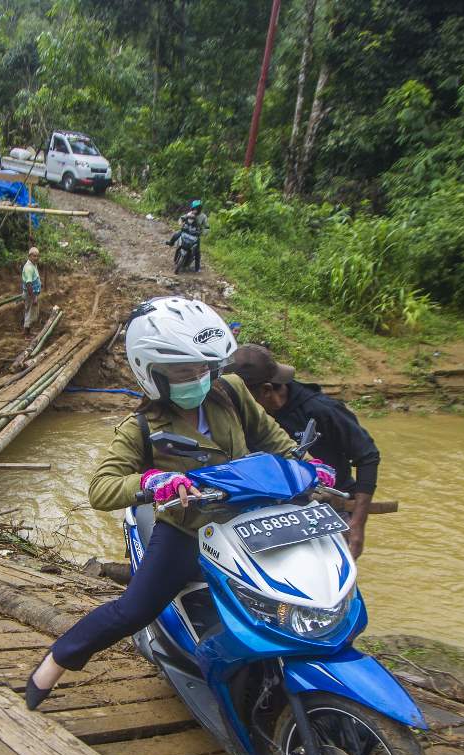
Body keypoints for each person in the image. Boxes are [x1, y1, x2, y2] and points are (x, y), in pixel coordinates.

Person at [23, 296, 336, 709]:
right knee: (132, 609)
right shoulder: (140, 428)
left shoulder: (231, 392)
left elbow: (271, 438)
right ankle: (57, 660)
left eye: (205, 367)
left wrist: (309, 464)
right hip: (187, 532)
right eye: (185, 371)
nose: (200, 378)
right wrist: (155, 481)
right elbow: (101, 487)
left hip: (249, 525)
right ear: (152, 374)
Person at [225, 343, 380, 558]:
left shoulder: (321, 410)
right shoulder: (240, 417)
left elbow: (368, 456)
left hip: (329, 508)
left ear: (267, 390)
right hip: (276, 513)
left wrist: (357, 525)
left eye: (239, 397)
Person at [178, 199, 207, 271]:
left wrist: (203, 232)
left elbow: (206, 227)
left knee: (197, 252)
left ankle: (197, 268)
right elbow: (181, 218)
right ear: (192, 208)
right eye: (195, 208)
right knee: (177, 235)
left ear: (200, 209)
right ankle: (171, 243)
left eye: (198, 208)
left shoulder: (203, 217)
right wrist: (181, 224)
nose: (196, 210)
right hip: (186, 232)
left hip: (195, 235)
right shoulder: (189, 214)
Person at [21, 246, 42, 335]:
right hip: (30, 294)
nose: (36, 258)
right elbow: (28, 284)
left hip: (32, 293)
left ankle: (29, 331)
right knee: (29, 314)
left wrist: (40, 284)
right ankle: (26, 334)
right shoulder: (29, 268)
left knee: (31, 313)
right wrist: (33, 298)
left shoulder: (33, 264)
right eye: (34, 256)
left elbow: (34, 278)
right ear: (29, 256)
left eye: (37, 256)